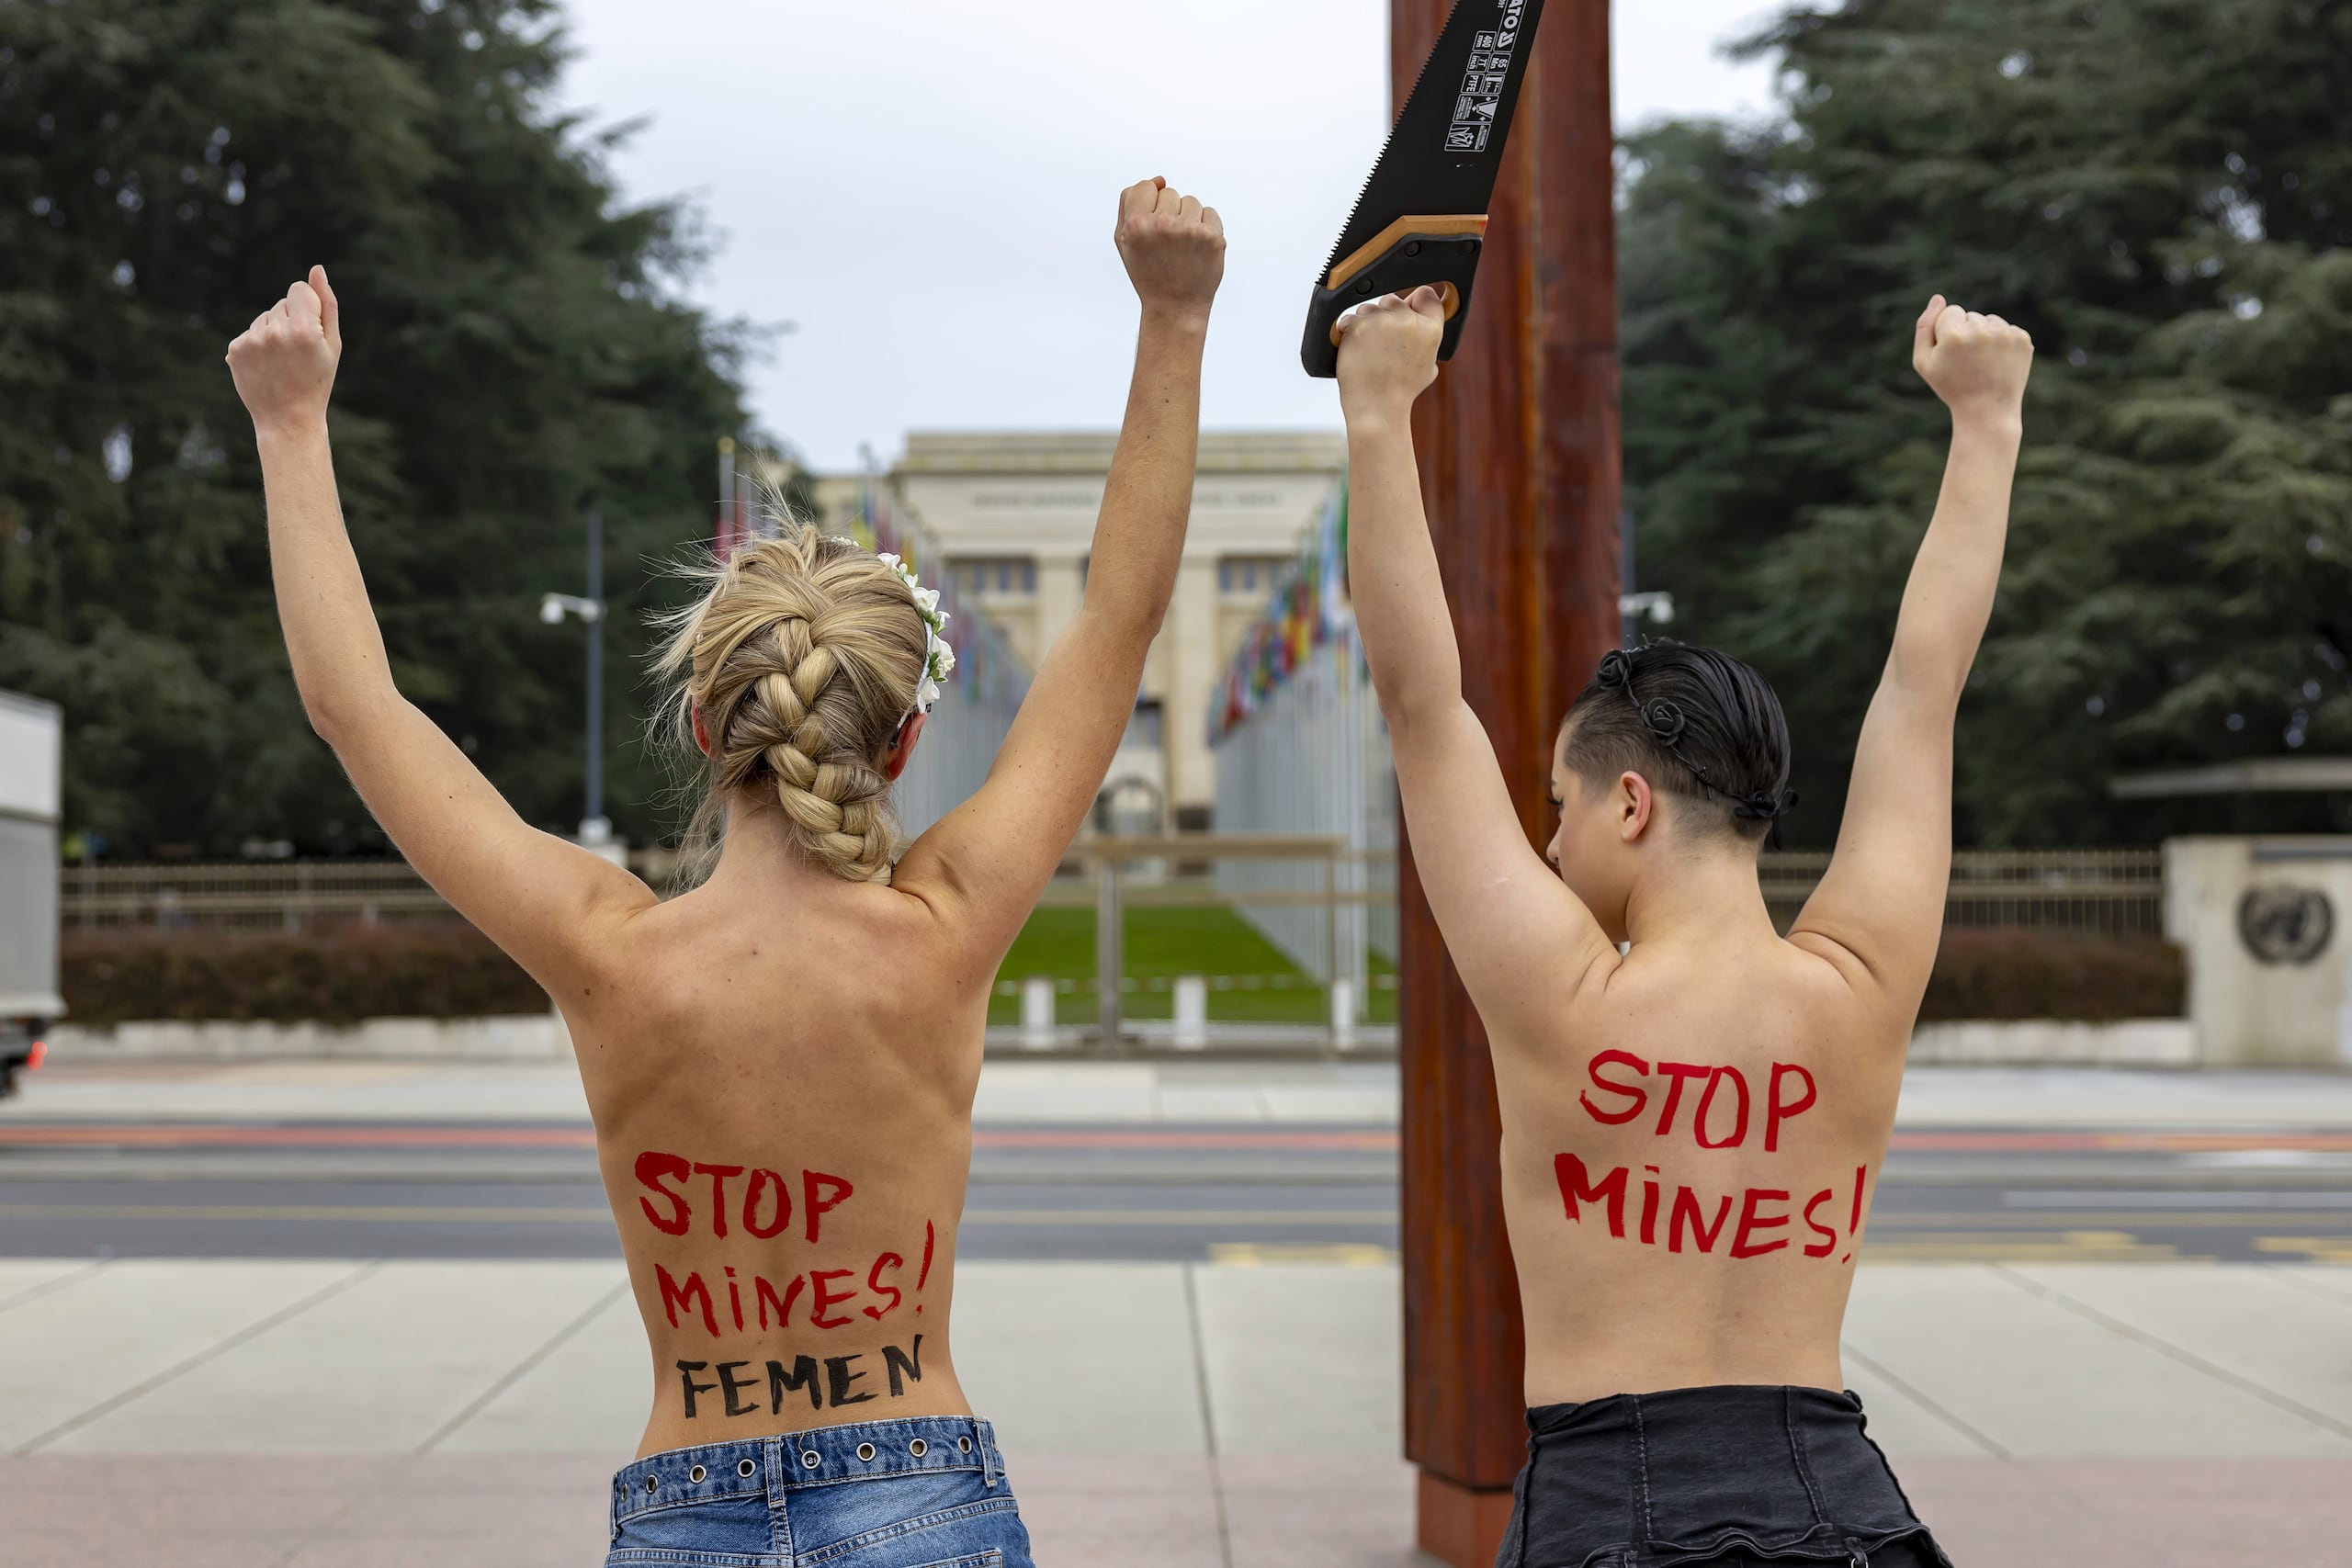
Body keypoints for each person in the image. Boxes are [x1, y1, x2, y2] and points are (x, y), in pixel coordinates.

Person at [226, 175, 1226, 1568]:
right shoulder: (941, 930)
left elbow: (357, 709)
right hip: (919, 1494)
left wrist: (288, 425)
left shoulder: (610, 949)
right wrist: (1173, 321)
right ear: (909, 731)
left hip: (688, 1504)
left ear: (704, 726)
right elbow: (1118, 624)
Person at [1335, 286, 2031, 1567]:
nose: (1547, 842)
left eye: (1560, 804)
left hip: (1612, 1503)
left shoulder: (1565, 999)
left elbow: (1421, 701)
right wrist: (1987, 420)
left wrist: (1377, 409)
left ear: (1632, 801)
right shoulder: (1858, 986)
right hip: (1844, 1502)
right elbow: (1924, 687)